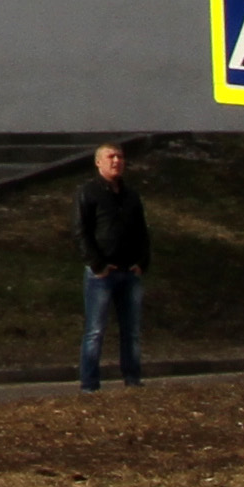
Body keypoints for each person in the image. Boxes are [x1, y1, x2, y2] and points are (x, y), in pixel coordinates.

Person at [75, 141, 152, 391]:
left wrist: (142, 262)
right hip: (102, 274)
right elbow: (81, 232)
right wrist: (97, 264)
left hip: (130, 272)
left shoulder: (131, 196)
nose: (116, 161)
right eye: (111, 157)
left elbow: (142, 231)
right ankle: (89, 385)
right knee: (95, 332)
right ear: (99, 162)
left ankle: (132, 380)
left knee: (131, 332)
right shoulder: (88, 192)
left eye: (120, 157)